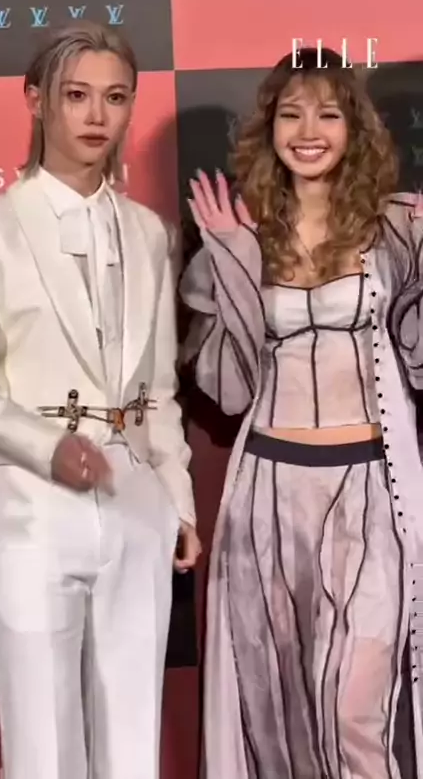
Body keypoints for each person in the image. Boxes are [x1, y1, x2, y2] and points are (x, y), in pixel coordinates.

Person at [0, 20, 200, 779]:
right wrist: (50, 448)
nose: (96, 116)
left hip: (135, 503)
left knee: (132, 741)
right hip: (29, 505)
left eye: (115, 98)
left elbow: (159, 390)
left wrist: (178, 501)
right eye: (77, 95)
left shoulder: (150, 233)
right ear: (36, 100)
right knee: (43, 745)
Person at [180, 47, 423, 779]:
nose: (308, 132)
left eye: (327, 114)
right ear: (270, 129)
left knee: (357, 710)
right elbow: (227, 391)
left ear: (355, 127)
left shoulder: (398, 229)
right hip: (270, 493)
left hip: (371, 490)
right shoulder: (243, 237)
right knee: (278, 709)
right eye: (291, 115)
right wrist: (232, 263)